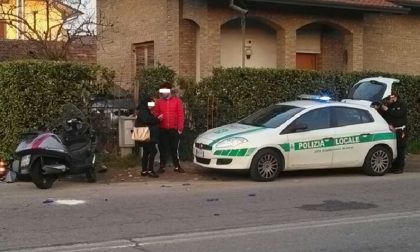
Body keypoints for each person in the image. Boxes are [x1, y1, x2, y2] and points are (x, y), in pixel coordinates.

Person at [155, 82, 185, 173]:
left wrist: (180, 128)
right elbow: (155, 113)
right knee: (162, 149)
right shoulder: (158, 102)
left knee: (174, 148)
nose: (162, 94)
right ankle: (162, 166)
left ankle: (177, 166)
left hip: (174, 129)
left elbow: (181, 115)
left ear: (169, 91)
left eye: (163, 91)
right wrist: (158, 117)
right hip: (162, 129)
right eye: (161, 92)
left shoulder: (177, 101)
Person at [377, 92, 408, 174]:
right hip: (391, 130)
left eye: (390, 98)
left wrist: (388, 110)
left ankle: (400, 167)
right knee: (393, 148)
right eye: (388, 98)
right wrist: (381, 108)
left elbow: (398, 114)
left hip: (400, 130)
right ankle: (393, 166)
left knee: (400, 149)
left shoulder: (402, 105)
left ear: (395, 97)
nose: (389, 100)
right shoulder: (389, 106)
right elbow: (385, 116)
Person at [135, 95, 160, 178]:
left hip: (146, 135)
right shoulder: (144, 111)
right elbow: (148, 120)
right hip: (147, 135)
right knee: (153, 151)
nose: (151, 106)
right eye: (150, 104)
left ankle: (144, 170)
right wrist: (158, 119)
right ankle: (150, 170)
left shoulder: (143, 110)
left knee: (146, 152)